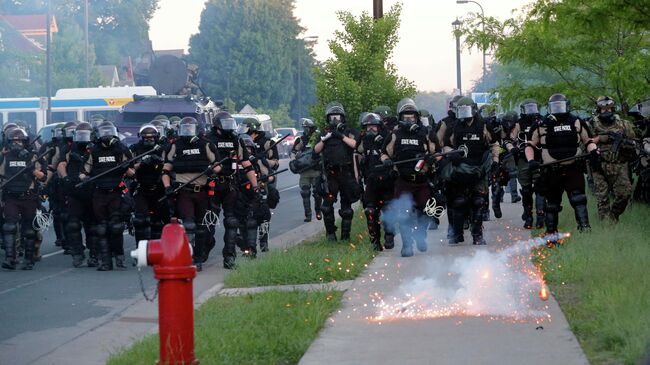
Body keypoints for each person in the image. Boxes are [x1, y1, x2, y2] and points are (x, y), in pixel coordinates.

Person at [525, 93, 598, 245]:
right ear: (549, 108)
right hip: (551, 171)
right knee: (551, 204)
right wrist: (531, 160)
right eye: (554, 107)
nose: (558, 109)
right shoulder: (541, 124)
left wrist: (593, 150)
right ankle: (551, 236)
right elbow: (530, 145)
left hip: (573, 168)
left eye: (561, 106)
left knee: (579, 199)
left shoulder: (576, 122)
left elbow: (588, 140)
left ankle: (585, 231)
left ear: (567, 105)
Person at [162, 117, 221, 271]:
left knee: (202, 228)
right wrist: (167, 187)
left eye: (190, 128)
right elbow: (166, 170)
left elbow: (218, 166)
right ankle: (188, 257)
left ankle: (198, 257)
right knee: (189, 225)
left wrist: (212, 170)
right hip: (184, 191)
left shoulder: (206, 145)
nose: (187, 132)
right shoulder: (174, 146)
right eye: (185, 128)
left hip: (202, 191)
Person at [381, 98, 439, 256]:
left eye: (411, 117)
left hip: (421, 180)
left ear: (417, 117)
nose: (408, 120)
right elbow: (384, 153)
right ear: (400, 118)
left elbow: (437, 153)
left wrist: (434, 158)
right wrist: (386, 162)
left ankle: (421, 235)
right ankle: (407, 245)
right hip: (403, 181)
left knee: (427, 210)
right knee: (403, 214)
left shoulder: (425, 133)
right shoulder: (394, 134)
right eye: (405, 117)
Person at [204, 111, 259, 269]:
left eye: (230, 124)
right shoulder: (207, 139)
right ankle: (202, 251)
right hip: (212, 185)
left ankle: (229, 257)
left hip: (230, 185)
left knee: (232, 221)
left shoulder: (236, 140)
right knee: (208, 222)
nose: (229, 128)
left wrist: (255, 185)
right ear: (217, 126)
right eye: (225, 124)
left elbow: (247, 164)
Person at [443, 96, 500, 245]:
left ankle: (477, 235)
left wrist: (495, 161)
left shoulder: (483, 125)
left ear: (474, 110)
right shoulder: (454, 126)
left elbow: (494, 144)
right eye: (461, 111)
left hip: (479, 169)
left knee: (478, 202)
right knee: (459, 202)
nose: (464, 114)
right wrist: (452, 154)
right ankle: (457, 234)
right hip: (460, 170)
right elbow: (445, 145)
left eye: (466, 110)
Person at [81, 121, 134, 270]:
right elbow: (84, 171)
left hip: (116, 192)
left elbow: (132, 172)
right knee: (102, 228)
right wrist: (84, 178)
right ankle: (105, 261)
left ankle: (119, 257)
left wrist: (125, 168)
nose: (107, 136)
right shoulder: (93, 151)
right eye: (104, 133)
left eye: (109, 132)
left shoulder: (121, 150)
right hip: (99, 192)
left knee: (116, 227)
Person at [313, 102, 361, 241]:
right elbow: (315, 151)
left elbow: (355, 145)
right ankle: (330, 234)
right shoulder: (324, 133)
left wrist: (340, 136)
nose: (335, 120)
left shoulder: (349, 132)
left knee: (346, 208)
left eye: (337, 117)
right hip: (330, 174)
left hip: (346, 173)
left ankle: (345, 237)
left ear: (342, 118)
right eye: (332, 118)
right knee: (327, 207)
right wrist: (325, 139)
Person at [0, 128, 47, 270]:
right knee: (9, 227)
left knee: (29, 230)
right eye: (14, 141)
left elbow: (43, 177)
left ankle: (29, 259)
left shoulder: (33, 156)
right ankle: (10, 258)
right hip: (11, 196)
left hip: (29, 196)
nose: (17, 144)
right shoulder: (4, 157)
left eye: (19, 141)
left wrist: (32, 170)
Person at [590, 96, 638, 222]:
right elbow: (584, 143)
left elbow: (633, 143)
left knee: (625, 194)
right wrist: (600, 139)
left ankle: (613, 215)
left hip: (619, 164)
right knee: (602, 197)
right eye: (603, 109)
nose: (607, 111)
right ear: (598, 110)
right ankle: (606, 227)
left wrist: (626, 144)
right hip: (599, 166)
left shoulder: (624, 124)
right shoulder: (591, 125)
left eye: (609, 108)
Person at [58, 122, 98, 267]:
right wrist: (65, 178)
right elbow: (61, 164)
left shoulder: (96, 147)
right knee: (73, 224)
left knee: (93, 226)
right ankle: (77, 253)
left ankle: (94, 254)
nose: (83, 138)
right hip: (74, 190)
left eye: (85, 134)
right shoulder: (68, 148)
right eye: (80, 134)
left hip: (92, 191)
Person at [357, 112, 396, 251]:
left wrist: (383, 144)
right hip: (371, 181)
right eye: (368, 127)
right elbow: (357, 154)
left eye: (373, 127)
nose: (371, 130)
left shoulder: (388, 136)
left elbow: (394, 152)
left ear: (379, 127)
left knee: (389, 210)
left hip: (387, 180)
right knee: (370, 211)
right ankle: (374, 242)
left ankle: (389, 236)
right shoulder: (364, 140)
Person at [506, 99, 546, 229]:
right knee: (527, 190)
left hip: (540, 159)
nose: (531, 111)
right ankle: (528, 216)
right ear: (522, 110)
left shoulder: (543, 121)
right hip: (523, 160)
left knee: (540, 188)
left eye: (533, 108)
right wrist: (512, 148)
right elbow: (508, 139)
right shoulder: (518, 124)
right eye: (528, 109)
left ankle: (541, 217)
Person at [131, 124, 167, 244]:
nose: (149, 140)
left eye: (151, 138)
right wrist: (142, 163)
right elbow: (128, 168)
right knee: (141, 220)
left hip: (158, 188)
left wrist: (160, 163)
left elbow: (169, 167)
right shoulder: (135, 149)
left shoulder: (162, 148)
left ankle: (157, 249)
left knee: (158, 221)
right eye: (146, 138)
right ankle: (141, 249)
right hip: (141, 187)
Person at [291, 118, 322, 222]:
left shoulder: (318, 138)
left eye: (307, 128)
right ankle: (308, 215)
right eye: (304, 128)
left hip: (316, 169)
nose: (306, 130)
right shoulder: (301, 139)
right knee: (305, 192)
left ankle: (318, 211)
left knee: (317, 192)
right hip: (304, 170)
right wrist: (293, 162)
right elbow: (294, 151)